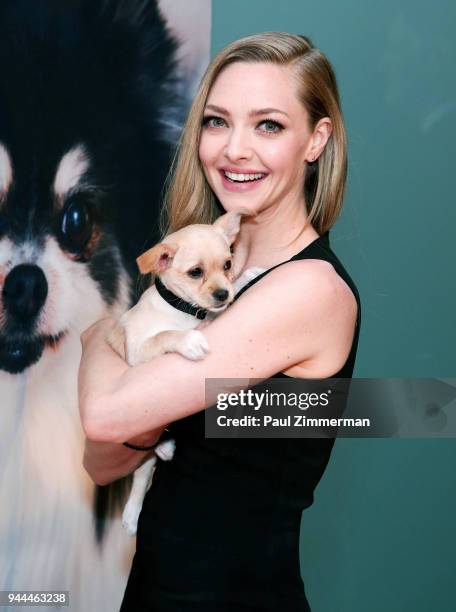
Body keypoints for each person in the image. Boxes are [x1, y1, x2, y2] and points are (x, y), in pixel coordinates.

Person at [78, 32, 361, 611]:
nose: (235, 149)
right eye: (216, 121)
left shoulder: (309, 290)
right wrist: (134, 396)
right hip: (159, 588)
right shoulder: (208, 279)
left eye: (269, 125)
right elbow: (102, 460)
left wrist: (99, 339)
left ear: (317, 139)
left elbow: (104, 413)